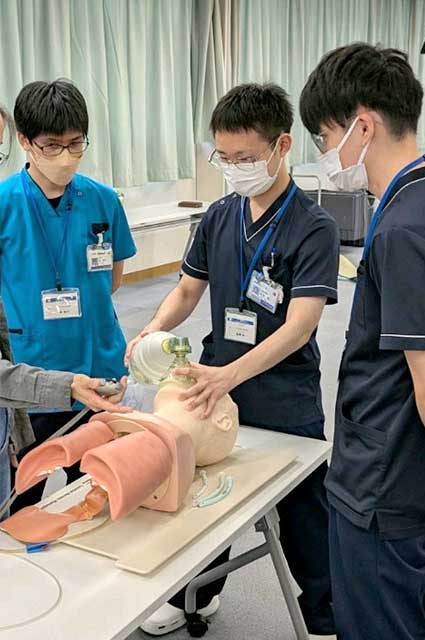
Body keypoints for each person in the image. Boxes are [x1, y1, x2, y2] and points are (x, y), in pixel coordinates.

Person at [126, 83, 339, 637]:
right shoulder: (219, 217)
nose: (235, 168)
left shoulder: (314, 227)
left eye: (246, 158)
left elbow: (300, 325)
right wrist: (151, 328)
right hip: (214, 377)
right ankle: (194, 595)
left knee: (301, 507)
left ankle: (325, 613)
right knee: (206, 493)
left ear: (281, 146)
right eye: (225, 158)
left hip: (281, 387)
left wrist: (232, 374)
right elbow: (186, 291)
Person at [299, 43, 425, 640]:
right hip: (410, 471)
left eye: (325, 137)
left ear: (363, 124)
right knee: (418, 612)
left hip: (383, 477)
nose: (326, 156)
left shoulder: (405, 226)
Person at [0, 80, 136, 512]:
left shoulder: (102, 200)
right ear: (25, 141)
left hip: (101, 368)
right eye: (52, 145)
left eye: (76, 144)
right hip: (33, 372)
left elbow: (114, 278)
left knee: (100, 493)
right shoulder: (4, 204)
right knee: (23, 501)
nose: (66, 156)